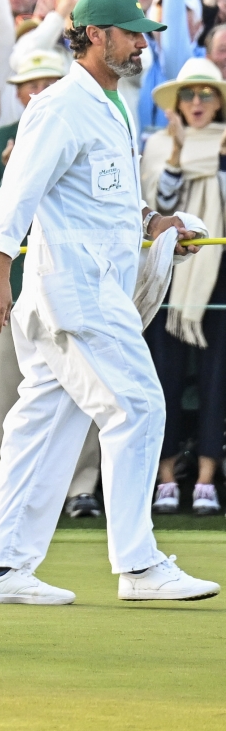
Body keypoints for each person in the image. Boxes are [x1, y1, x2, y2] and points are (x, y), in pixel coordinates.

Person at [0, 0, 219, 605]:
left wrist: (152, 222)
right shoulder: (59, 105)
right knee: (138, 406)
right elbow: (18, 193)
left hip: (89, 286)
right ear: (94, 35)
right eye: (132, 32)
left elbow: (100, 193)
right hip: (73, 290)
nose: (142, 42)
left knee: (42, 427)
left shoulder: (113, 103)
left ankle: (0, 571)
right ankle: (138, 565)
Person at [0, 47, 102, 517]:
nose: (40, 91)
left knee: (86, 387)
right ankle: (7, 487)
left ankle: (81, 488)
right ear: (21, 93)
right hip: (11, 285)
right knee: (6, 390)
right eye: (32, 85)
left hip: (70, 282)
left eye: (49, 81)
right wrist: (14, 173)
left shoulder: (84, 128)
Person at [141, 59, 226, 517]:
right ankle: (167, 477)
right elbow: (159, 207)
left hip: (217, 278)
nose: (197, 103)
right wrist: (175, 155)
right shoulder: (157, 144)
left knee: (218, 381)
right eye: (189, 94)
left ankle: (208, 479)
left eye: (206, 94)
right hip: (168, 277)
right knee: (161, 381)